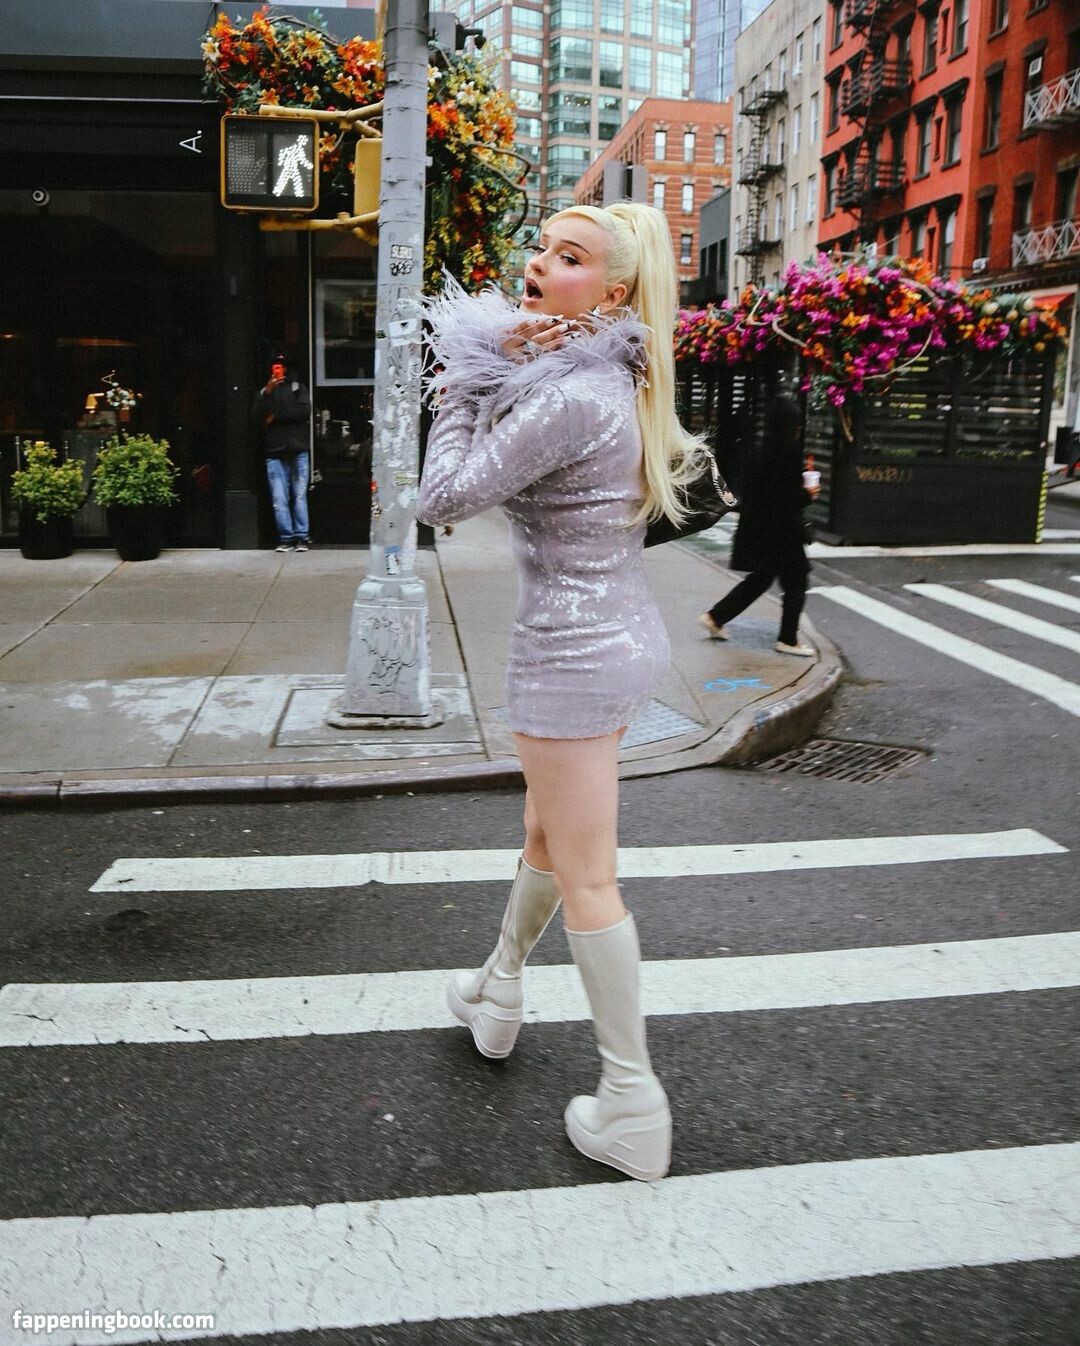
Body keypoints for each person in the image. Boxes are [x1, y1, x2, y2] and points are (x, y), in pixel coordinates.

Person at [417, 203, 708, 1184]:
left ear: (613, 292)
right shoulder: (603, 376)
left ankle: (632, 1102)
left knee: (588, 875)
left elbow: (443, 497)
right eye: (540, 247)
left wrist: (461, 380)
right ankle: (498, 990)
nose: (539, 263)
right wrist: (504, 358)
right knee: (547, 834)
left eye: (568, 256)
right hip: (614, 642)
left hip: (570, 658)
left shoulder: (574, 396)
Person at [699, 393, 819, 656]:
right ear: (791, 425)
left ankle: (716, 617)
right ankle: (788, 639)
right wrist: (808, 494)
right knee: (796, 581)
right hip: (782, 532)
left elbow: (757, 491)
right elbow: (786, 497)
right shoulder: (788, 452)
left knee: (761, 578)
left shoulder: (758, 449)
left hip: (759, 528)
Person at [252, 353, 312, 552]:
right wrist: (267, 393)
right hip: (275, 451)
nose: (276, 369)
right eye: (274, 366)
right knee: (279, 498)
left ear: (285, 369)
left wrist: (275, 416)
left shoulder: (298, 388)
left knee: (299, 495)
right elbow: (257, 417)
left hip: (298, 449)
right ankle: (286, 538)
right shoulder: (264, 392)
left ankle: (301, 537)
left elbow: (304, 411)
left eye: (280, 366)